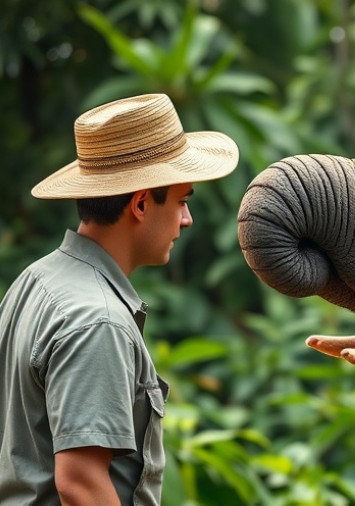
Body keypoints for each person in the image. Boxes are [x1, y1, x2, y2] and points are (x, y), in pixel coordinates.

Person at [0, 94, 238, 505]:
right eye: (182, 200)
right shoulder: (99, 319)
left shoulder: (34, 280)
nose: (187, 218)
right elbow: (80, 483)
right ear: (142, 203)